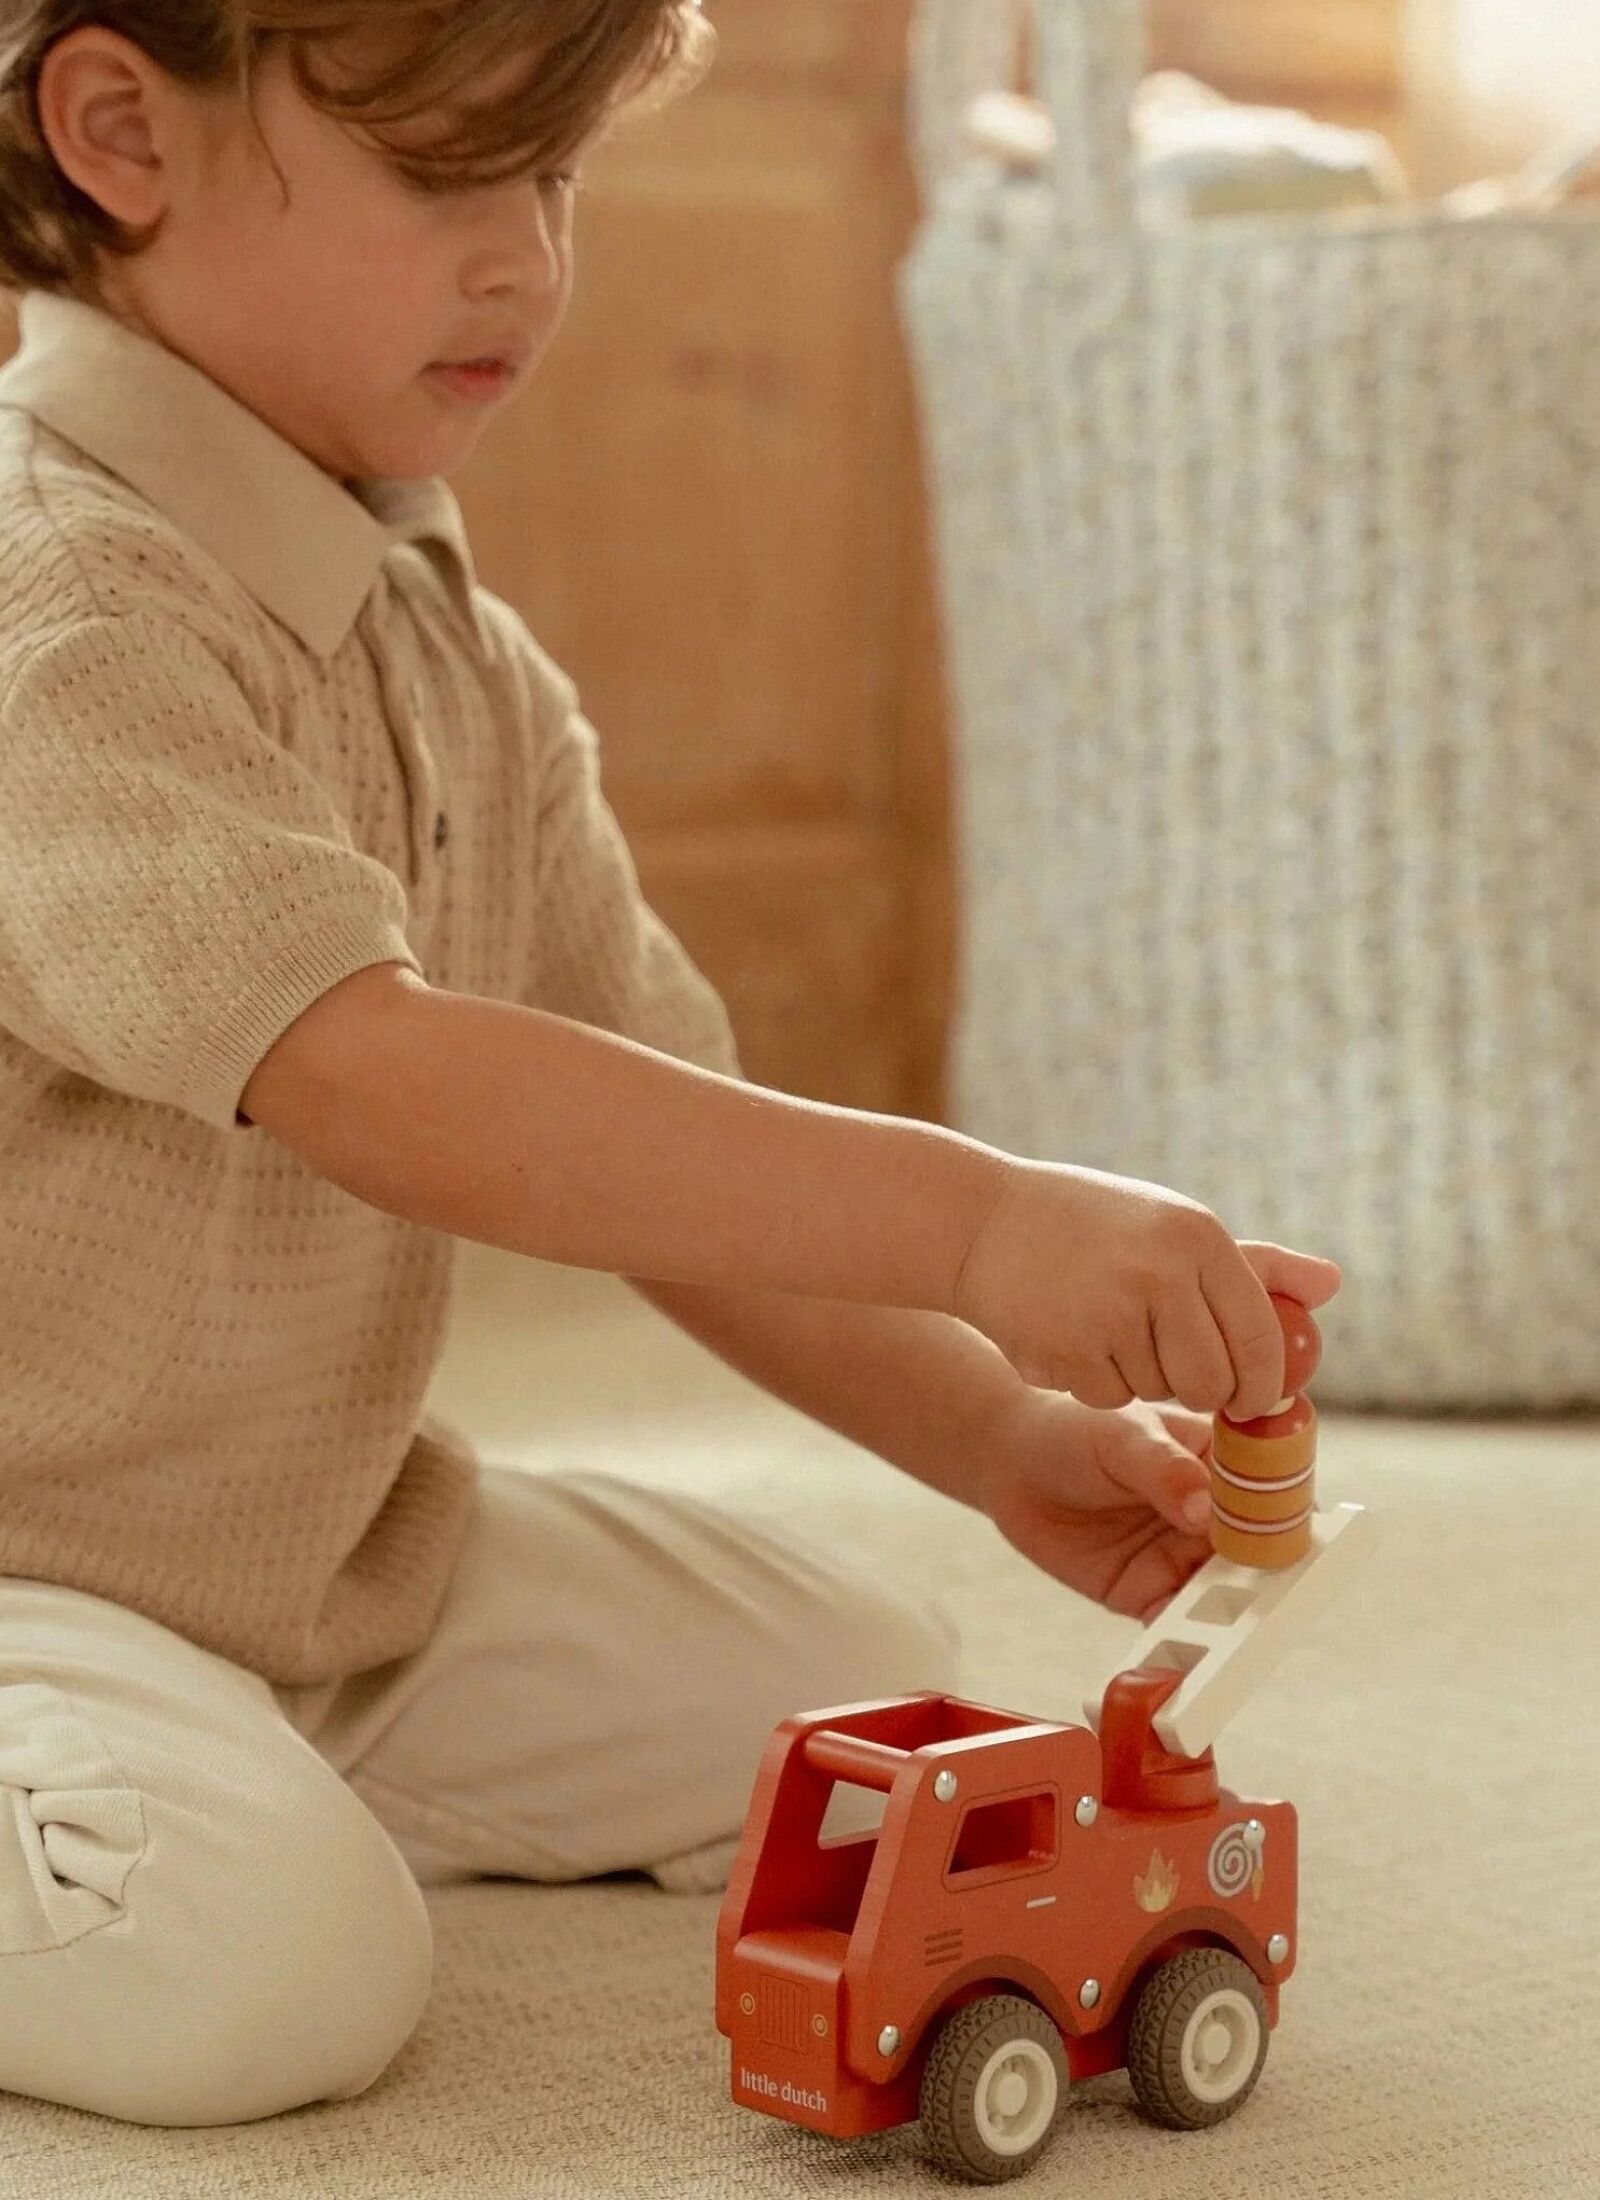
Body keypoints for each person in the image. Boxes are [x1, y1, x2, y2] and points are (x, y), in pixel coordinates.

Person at [0, 0, 1340, 2130]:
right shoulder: (61, 610)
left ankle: (230, 1743)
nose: (526, 258)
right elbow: (387, 1081)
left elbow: (666, 1147)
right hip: (30, 1561)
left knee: (861, 1707)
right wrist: (977, 1222)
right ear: (119, 130)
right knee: (270, 1980)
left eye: (553, 176)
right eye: (448, 173)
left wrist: (994, 1429)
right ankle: (171, 1785)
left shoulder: (442, 645)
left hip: (303, 1563)